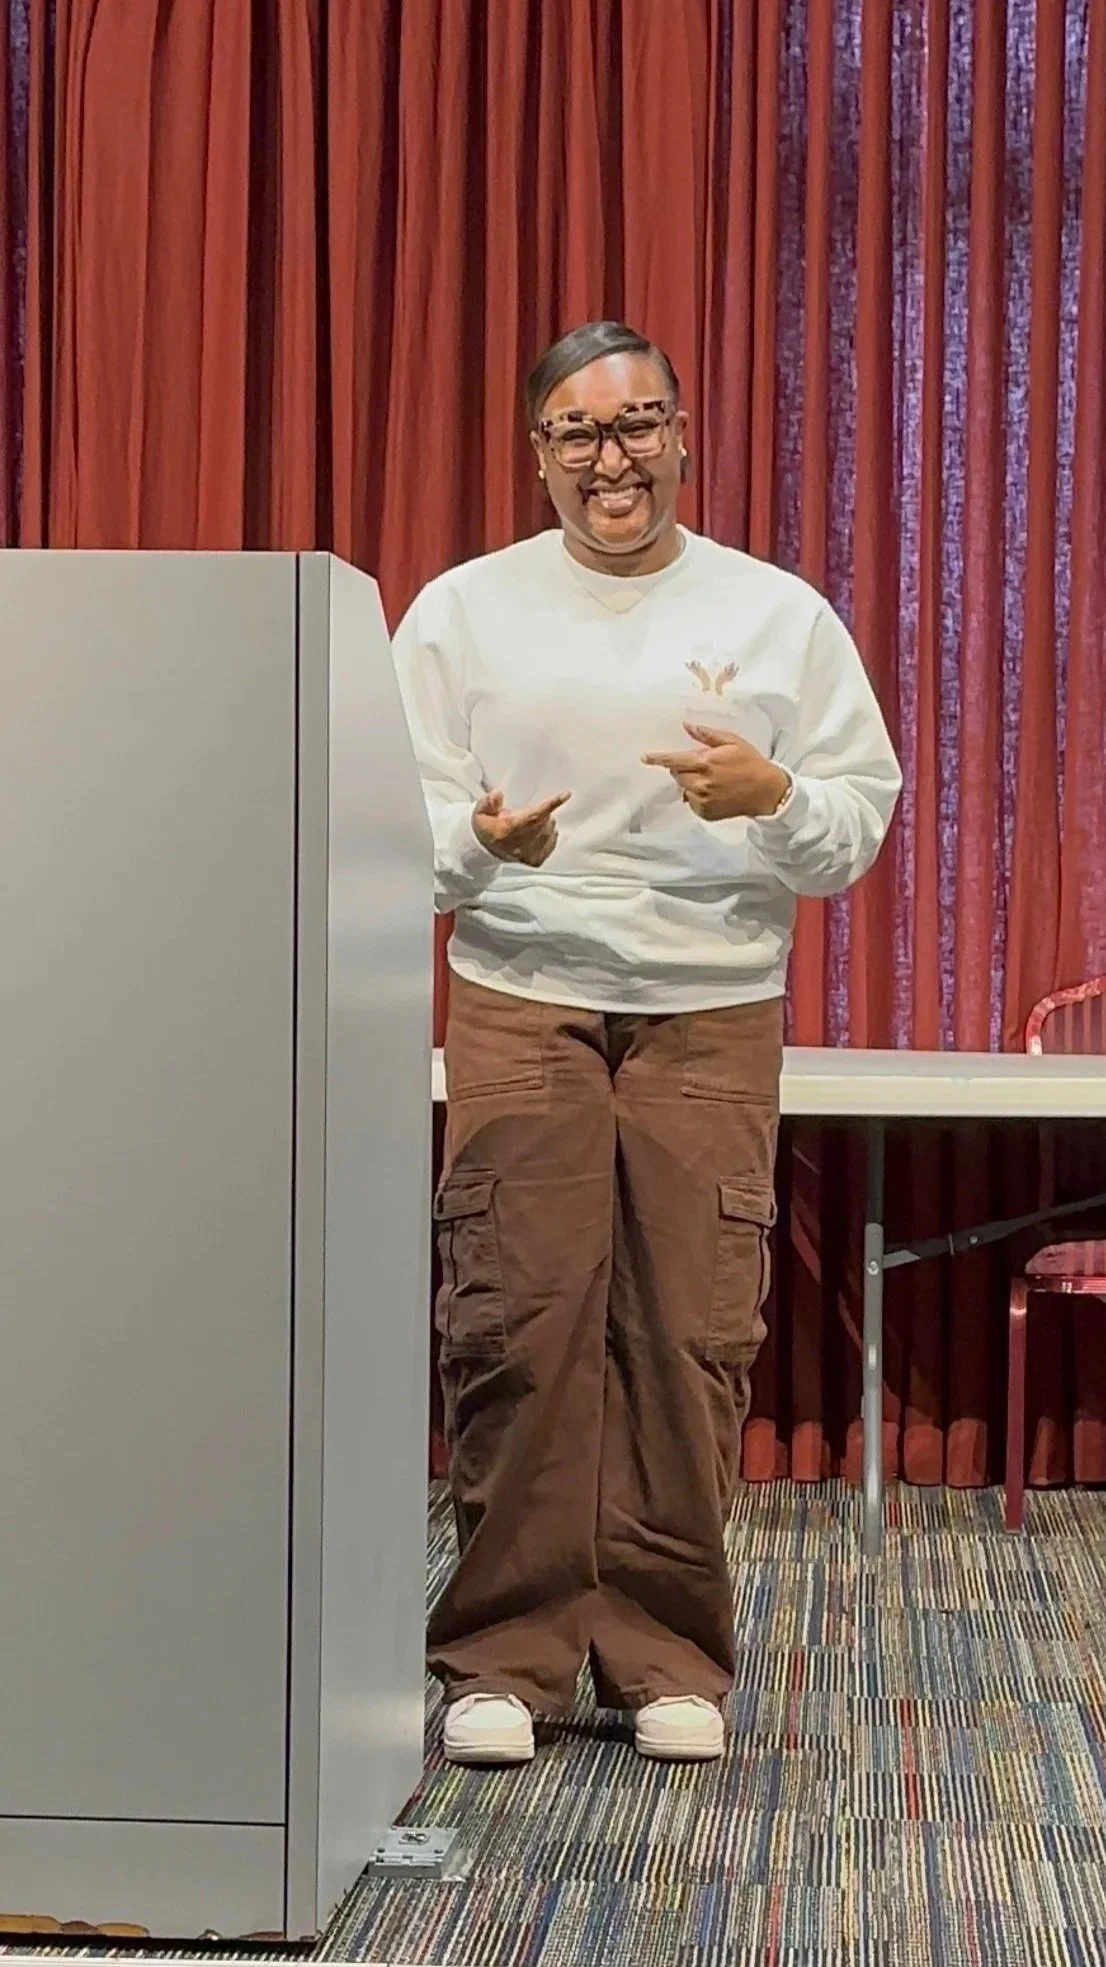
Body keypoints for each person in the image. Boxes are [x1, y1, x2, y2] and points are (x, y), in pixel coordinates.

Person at [391, 321, 901, 1769]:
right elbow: (396, 823)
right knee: (516, 1323)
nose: (610, 458)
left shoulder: (778, 614)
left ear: (680, 435)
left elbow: (854, 823)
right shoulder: (461, 613)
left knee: (689, 1333)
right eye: (579, 432)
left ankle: (667, 1654)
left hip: (710, 1006)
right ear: (539, 454)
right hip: (522, 993)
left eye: (636, 425)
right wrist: (481, 846)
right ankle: (504, 1657)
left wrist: (772, 797)